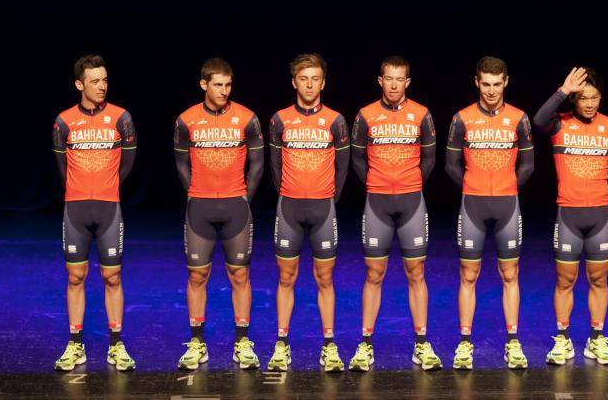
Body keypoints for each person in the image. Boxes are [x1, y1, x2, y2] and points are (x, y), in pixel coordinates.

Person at [347, 56, 442, 372]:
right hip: (377, 204)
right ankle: (366, 344)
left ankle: (421, 344)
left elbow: (429, 160)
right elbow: (358, 160)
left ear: (407, 83)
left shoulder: (422, 114)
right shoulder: (365, 115)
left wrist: (409, 184)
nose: (393, 84)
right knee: (374, 274)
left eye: (399, 79)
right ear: (380, 80)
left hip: (412, 202)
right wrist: (377, 184)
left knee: (416, 273)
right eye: (388, 78)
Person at [174, 58, 264, 370]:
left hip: (236, 207)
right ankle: (197, 343)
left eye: (228, 85)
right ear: (203, 84)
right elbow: (181, 164)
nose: (224, 91)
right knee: (197, 275)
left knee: (240, 274)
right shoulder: (186, 120)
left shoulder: (247, 118)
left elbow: (258, 165)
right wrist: (194, 193)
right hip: (199, 207)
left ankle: (242, 342)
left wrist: (243, 197)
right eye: (217, 85)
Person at [445, 56, 534, 370]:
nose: (492, 90)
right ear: (477, 82)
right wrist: (473, 186)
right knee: (468, 276)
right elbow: (451, 166)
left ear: (506, 82)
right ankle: (465, 343)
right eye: (486, 84)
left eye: (497, 84)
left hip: (508, 205)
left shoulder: (520, 119)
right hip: (473, 206)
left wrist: (508, 186)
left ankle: (513, 342)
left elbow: (528, 165)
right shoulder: (462, 119)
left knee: (510, 275)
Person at [533, 67, 608, 365]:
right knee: (565, 280)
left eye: (594, 98)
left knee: (599, 279)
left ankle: (596, 340)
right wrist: (562, 90)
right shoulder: (559, 124)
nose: (589, 104)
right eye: (583, 98)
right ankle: (563, 339)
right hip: (568, 215)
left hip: (599, 215)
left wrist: (594, 193)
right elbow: (537, 120)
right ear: (574, 99)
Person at [52, 54, 137, 371]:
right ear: (79, 84)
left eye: (104, 80)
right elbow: (62, 165)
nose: (102, 86)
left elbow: (128, 161)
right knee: (75, 277)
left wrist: (108, 188)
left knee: (111, 276)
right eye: (94, 81)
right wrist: (79, 189)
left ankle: (116, 346)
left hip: (108, 209)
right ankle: (75, 346)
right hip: (75, 209)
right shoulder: (63, 121)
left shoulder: (121, 118)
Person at [267, 53, 350, 372]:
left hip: (323, 209)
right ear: (294, 82)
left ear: (324, 82)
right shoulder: (279, 119)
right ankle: (281, 344)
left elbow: (342, 168)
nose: (310, 84)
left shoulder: (335, 120)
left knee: (324, 278)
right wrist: (288, 194)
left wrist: (328, 199)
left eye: (316, 78)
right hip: (288, 207)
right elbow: (275, 166)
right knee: (286, 277)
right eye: (304, 78)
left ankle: (329, 346)